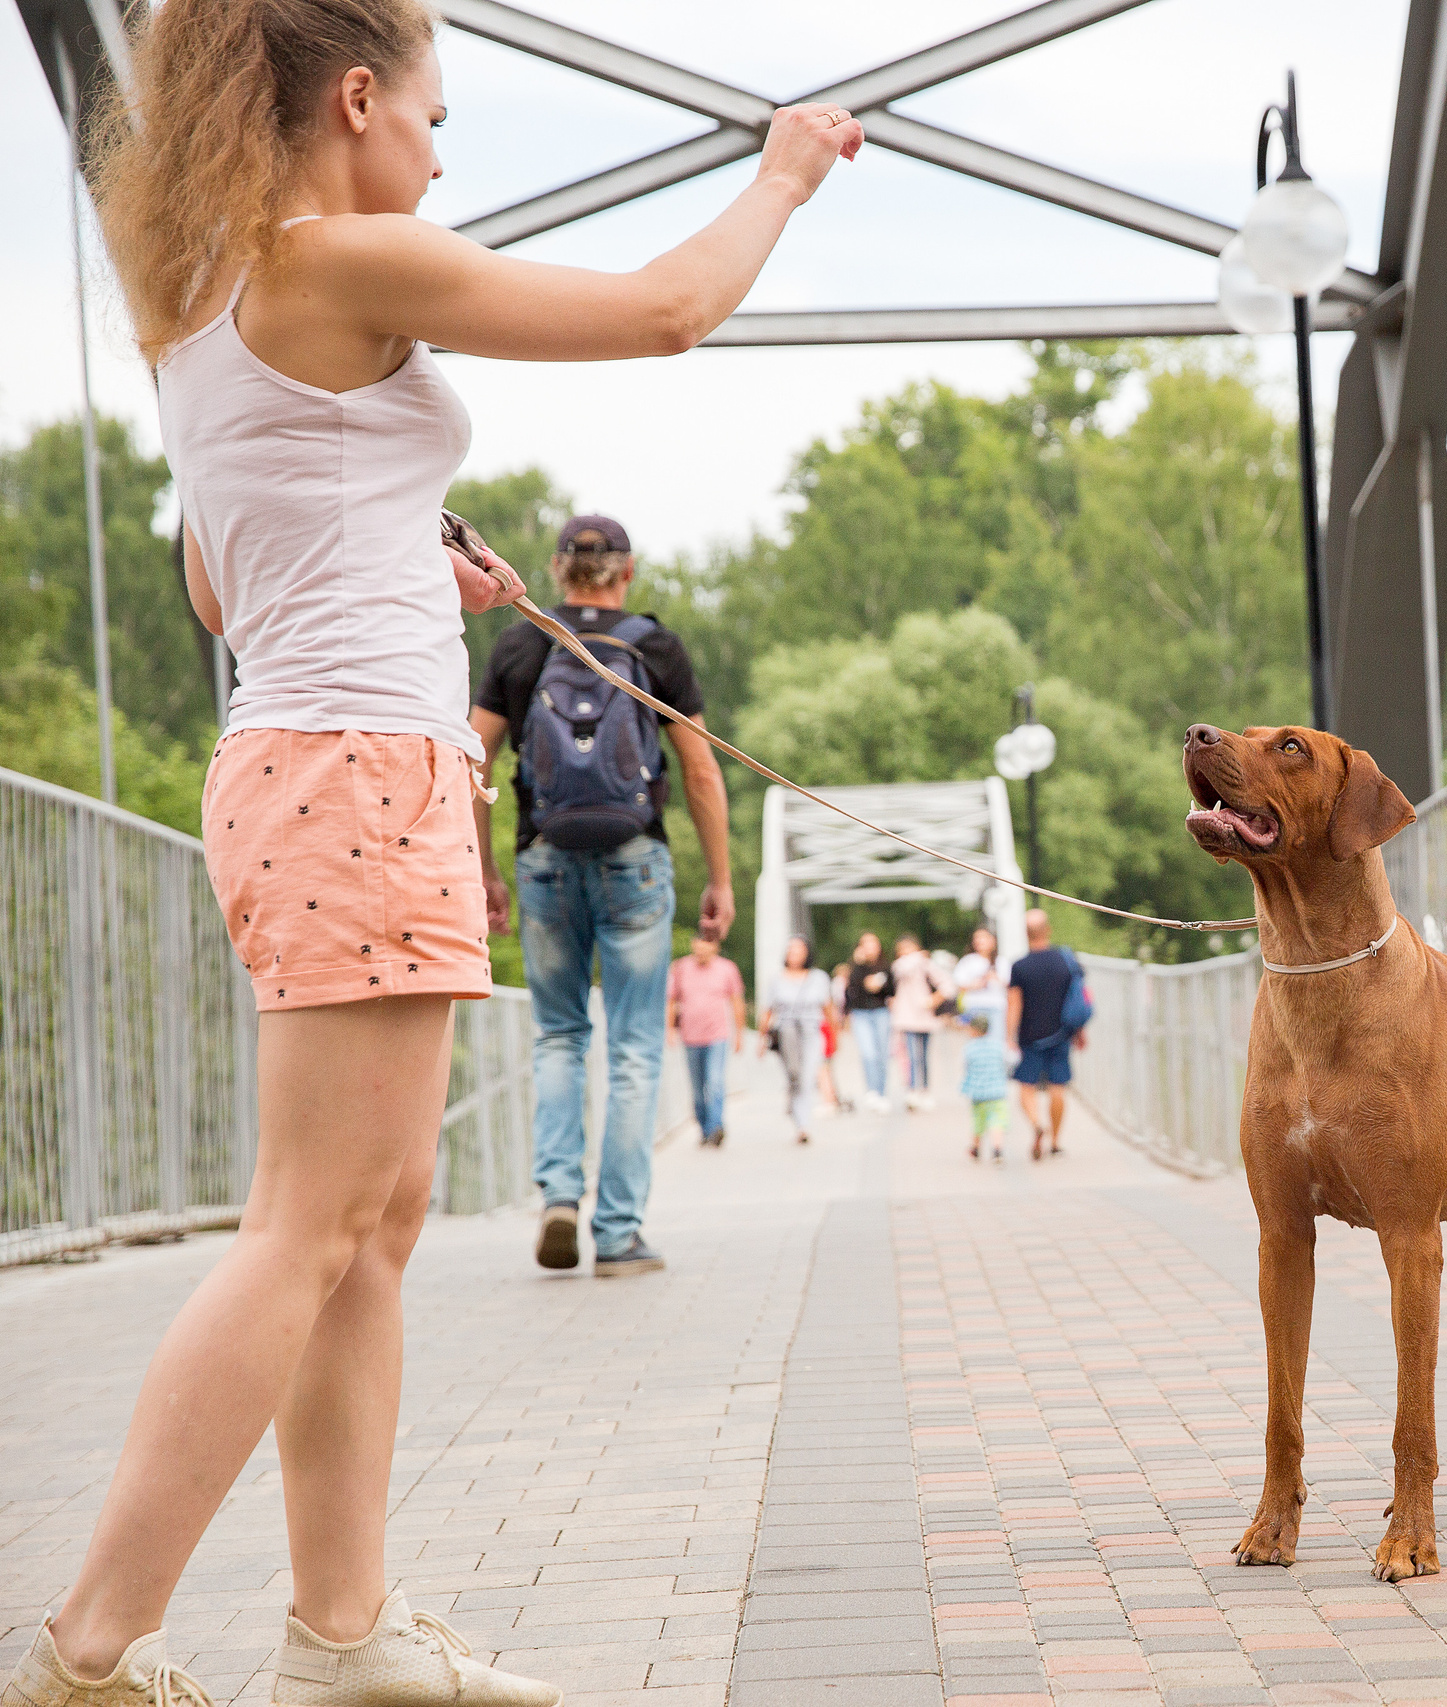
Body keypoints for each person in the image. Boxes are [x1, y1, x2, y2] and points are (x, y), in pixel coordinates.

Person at [14, 5, 862, 1705]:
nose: (440, 155)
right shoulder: (336, 255)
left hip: (308, 763)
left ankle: (345, 1627)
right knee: (310, 1223)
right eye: (433, 116)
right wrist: (782, 172)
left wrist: (410, 550)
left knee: (370, 1219)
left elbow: (219, 581)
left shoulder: (210, 288)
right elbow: (666, 310)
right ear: (354, 98)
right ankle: (91, 1645)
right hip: (354, 775)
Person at [470, 514, 720, 1280]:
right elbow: (701, 769)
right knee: (635, 1046)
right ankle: (617, 1233)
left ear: (557, 568)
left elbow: (470, 757)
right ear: (627, 571)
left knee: (560, 1035)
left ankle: (558, 1196)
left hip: (544, 858)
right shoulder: (654, 646)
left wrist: (484, 871)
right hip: (634, 858)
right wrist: (720, 878)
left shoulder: (523, 643)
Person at [1007, 909, 1086, 1161]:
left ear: (1026, 934)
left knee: (1026, 1087)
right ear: (1048, 930)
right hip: (1061, 1033)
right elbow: (1077, 998)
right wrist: (1080, 1030)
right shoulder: (1065, 961)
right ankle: (1055, 1141)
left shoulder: (1019, 966)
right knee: (1058, 1087)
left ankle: (1036, 1123)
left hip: (1030, 1037)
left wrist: (1009, 1037)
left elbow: (1014, 1005)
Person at [666, 929, 745, 1147]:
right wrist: (669, 1029)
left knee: (715, 1081)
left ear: (715, 947)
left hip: (717, 1035)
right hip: (690, 1036)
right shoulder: (681, 968)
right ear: (694, 945)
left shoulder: (727, 968)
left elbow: (737, 1001)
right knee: (698, 1088)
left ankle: (716, 1126)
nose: (702, 949)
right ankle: (704, 1128)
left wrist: (739, 1033)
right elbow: (671, 1000)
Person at [760, 935, 832, 1145]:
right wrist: (761, 1040)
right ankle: (793, 1101)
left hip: (811, 1032)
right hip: (786, 1034)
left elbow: (828, 1008)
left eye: (799, 949)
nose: (794, 953)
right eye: (791, 949)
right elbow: (768, 1010)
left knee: (807, 1078)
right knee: (793, 1075)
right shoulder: (777, 979)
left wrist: (833, 1037)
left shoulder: (818, 978)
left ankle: (803, 1125)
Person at [887, 932, 946, 1111]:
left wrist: (935, 999)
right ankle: (912, 1090)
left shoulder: (926, 964)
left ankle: (924, 1090)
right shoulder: (900, 965)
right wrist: (917, 958)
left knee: (924, 1057)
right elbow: (901, 969)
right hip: (907, 1017)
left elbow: (946, 984)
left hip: (924, 1015)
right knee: (912, 1056)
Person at [840, 933, 892, 1112]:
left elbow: (892, 990)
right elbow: (850, 990)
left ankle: (881, 1092)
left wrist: (880, 986)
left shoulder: (885, 967)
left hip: (881, 1012)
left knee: (882, 1053)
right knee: (868, 1052)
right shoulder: (856, 967)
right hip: (861, 1013)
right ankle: (872, 1091)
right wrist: (858, 965)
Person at [959, 1010, 1010, 1162]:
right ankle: (997, 1149)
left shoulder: (969, 1048)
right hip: (997, 1092)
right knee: (997, 1121)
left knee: (978, 1121)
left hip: (978, 1092)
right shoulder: (998, 1046)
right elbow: (1008, 1062)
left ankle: (975, 1148)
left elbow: (965, 1066)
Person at [951, 923, 1009, 1025]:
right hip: (974, 1006)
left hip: (997, 1006)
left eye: (983, 937)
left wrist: (995, 978)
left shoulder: (1001, 961)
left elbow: (1010, 984)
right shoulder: (968, 961)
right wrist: (974, 985)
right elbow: (957, 983)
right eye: (977, 938)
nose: (980, 941)